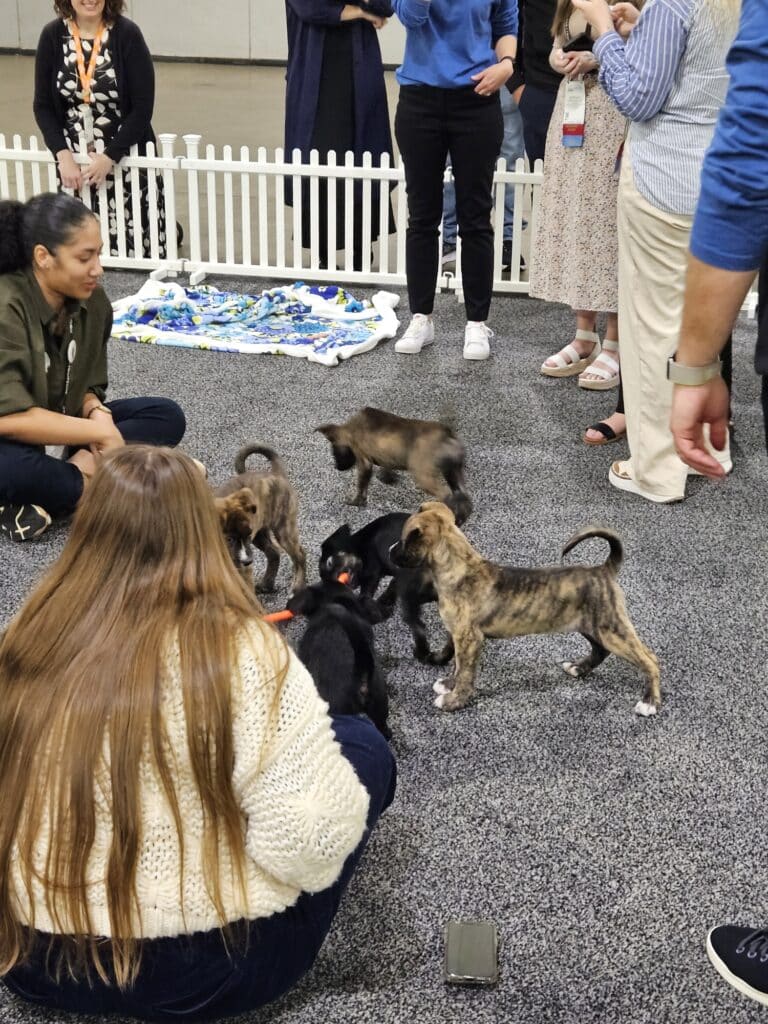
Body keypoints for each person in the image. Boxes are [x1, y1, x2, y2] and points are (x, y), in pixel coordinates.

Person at [0, 444, 396, 1019]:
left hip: (31, 962)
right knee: (363, 748)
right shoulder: (246, 651)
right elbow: (309, 844)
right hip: (206, 971)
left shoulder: (24, 636)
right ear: (201, 525)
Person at [573, 0, 740, 502]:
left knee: (651, 330)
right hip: (720, 174)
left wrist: (602, 27)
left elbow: (638, 100)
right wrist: (643, 30)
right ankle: (712, 446)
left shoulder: (675, 2)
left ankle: (656, 471)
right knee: (700, 321)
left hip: (664, 178)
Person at [0, 193, 185, 543]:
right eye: (85, 257)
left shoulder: (94, 300)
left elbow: (87, 384)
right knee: (11, 469)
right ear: (43, 257)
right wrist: (98, 435)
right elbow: (6, 416)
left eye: (98, 253)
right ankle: (113, 491)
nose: (98, 268)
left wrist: (97, 412)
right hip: (10, 435)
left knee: (165, 415)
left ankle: (64, 488)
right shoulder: (6, 305)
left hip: (60, 427)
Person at [391, 0, 518, 361]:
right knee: (422, 215)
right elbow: (411, 16)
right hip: (419, 98)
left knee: (476, 215)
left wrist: (506, 65)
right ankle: (421, 317)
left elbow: (506, 23)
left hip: (477, 97)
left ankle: (477, 322)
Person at [530, 1, 627, 394]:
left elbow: (641, 58)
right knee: (574, 220)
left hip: (613, 112)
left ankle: (618, 344)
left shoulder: (633, 6)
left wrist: (596, 58)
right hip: (572, 113)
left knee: (609, 224)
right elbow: (555, 46)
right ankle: (585, 335)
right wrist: (559, 59)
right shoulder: (569, 4)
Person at [34, 0, 168, 259]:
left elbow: (142, 107)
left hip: (125, 159)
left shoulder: (127, 34)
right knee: (77, 253)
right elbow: (42, 106)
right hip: (75, 166)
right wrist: (62, 156)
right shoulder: (52, 35)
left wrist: (110, 157)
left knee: (134, 253)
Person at [284, 1, 394, 272]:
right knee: (319, 158)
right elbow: (312, 8)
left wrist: (365, 7)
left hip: (359, 69)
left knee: (362, 157)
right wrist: (361, 10)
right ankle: (323, 249)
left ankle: (361, 245)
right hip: (315, 72)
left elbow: (385, 5)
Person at [441, 89, 526, 274]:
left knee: (510, 165)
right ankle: (450, 239)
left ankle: (508, 240)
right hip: (464, 80)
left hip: (497, 78)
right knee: (453, 164)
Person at [509, 0, 561, 165]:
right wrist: (516, 86)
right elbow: (504, 23)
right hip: (540, 92)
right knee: (540, 180)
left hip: (597, 88)